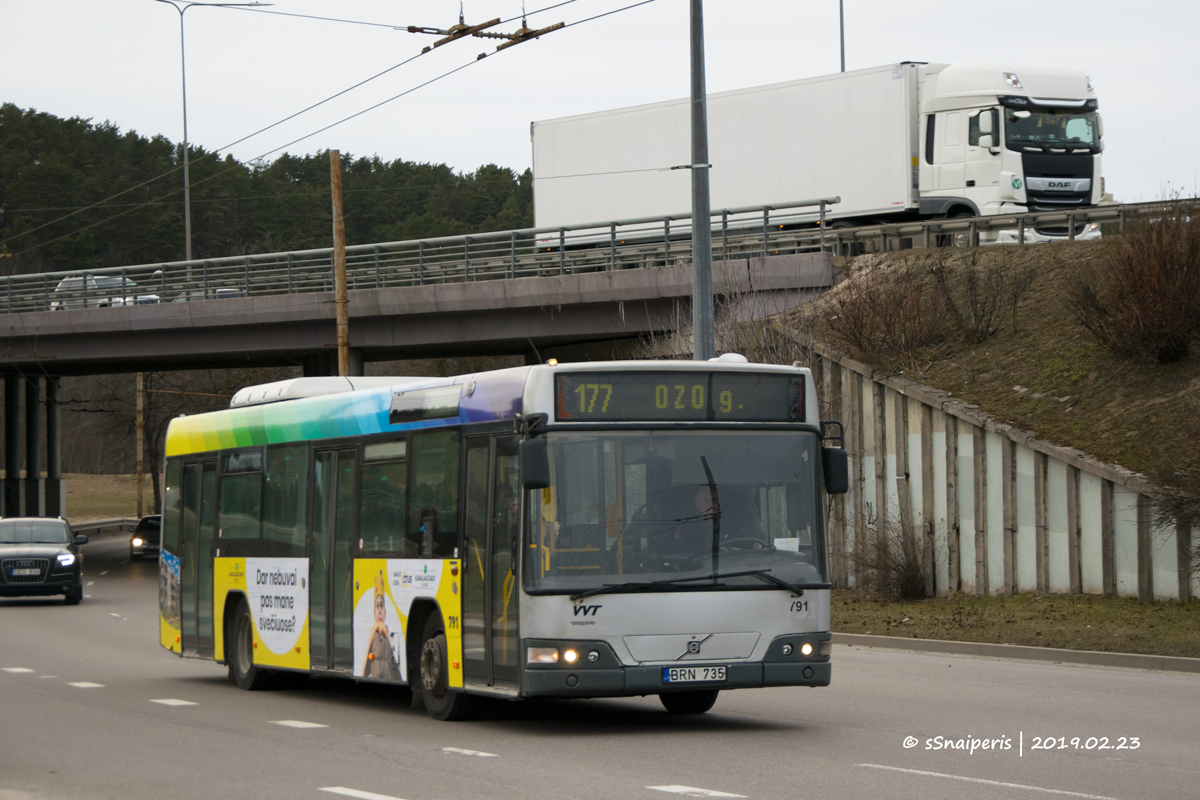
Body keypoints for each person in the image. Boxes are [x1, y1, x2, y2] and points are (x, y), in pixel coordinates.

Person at [362, 572, 401, 681]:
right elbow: (366, 662)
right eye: (377, 606)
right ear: (374, 612)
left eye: (381, 606)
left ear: (385, 612)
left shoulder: (390, 634)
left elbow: (394, 661)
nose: (379, 611)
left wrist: (387, 635)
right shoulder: (372, 633)